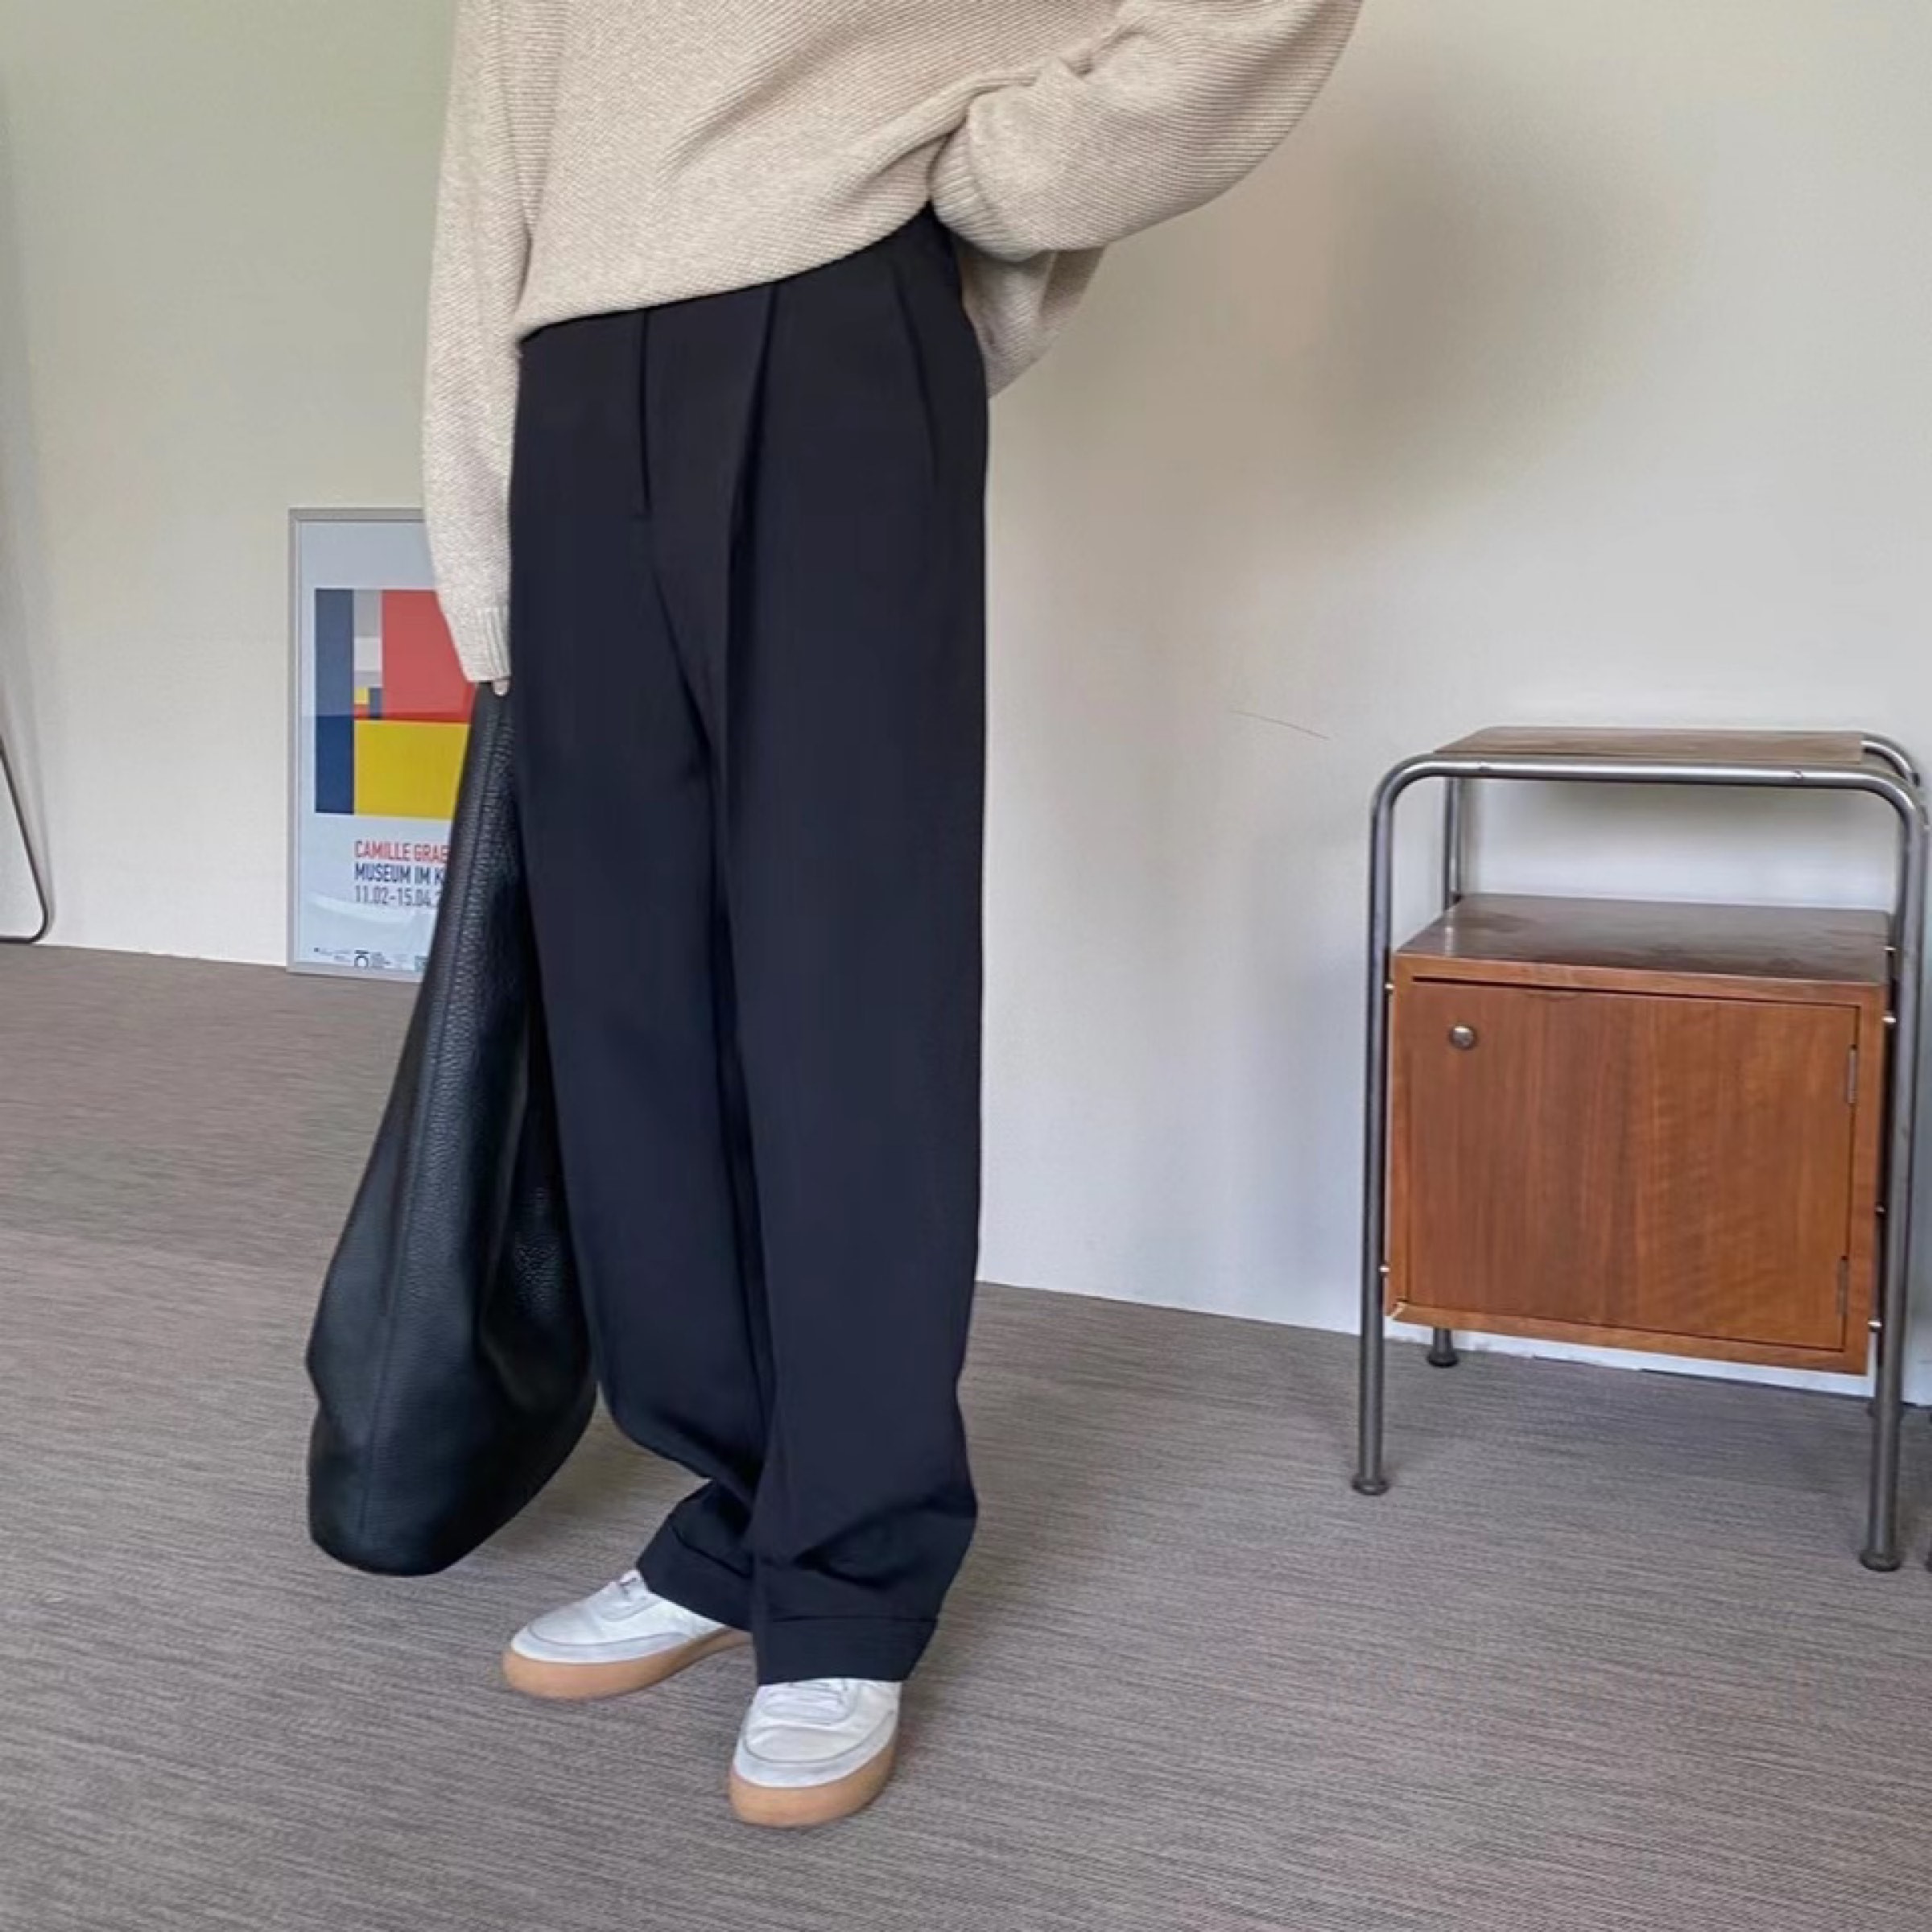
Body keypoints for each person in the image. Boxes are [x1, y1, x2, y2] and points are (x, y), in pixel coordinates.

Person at [423, 0, 1361, 1828]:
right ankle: (735, 1509)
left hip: (829, 344)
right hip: (576, 386)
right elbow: (489, 176)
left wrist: (968, 179)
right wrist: (482, 536)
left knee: (845, 978)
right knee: (628, 997)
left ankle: (853, 1561)